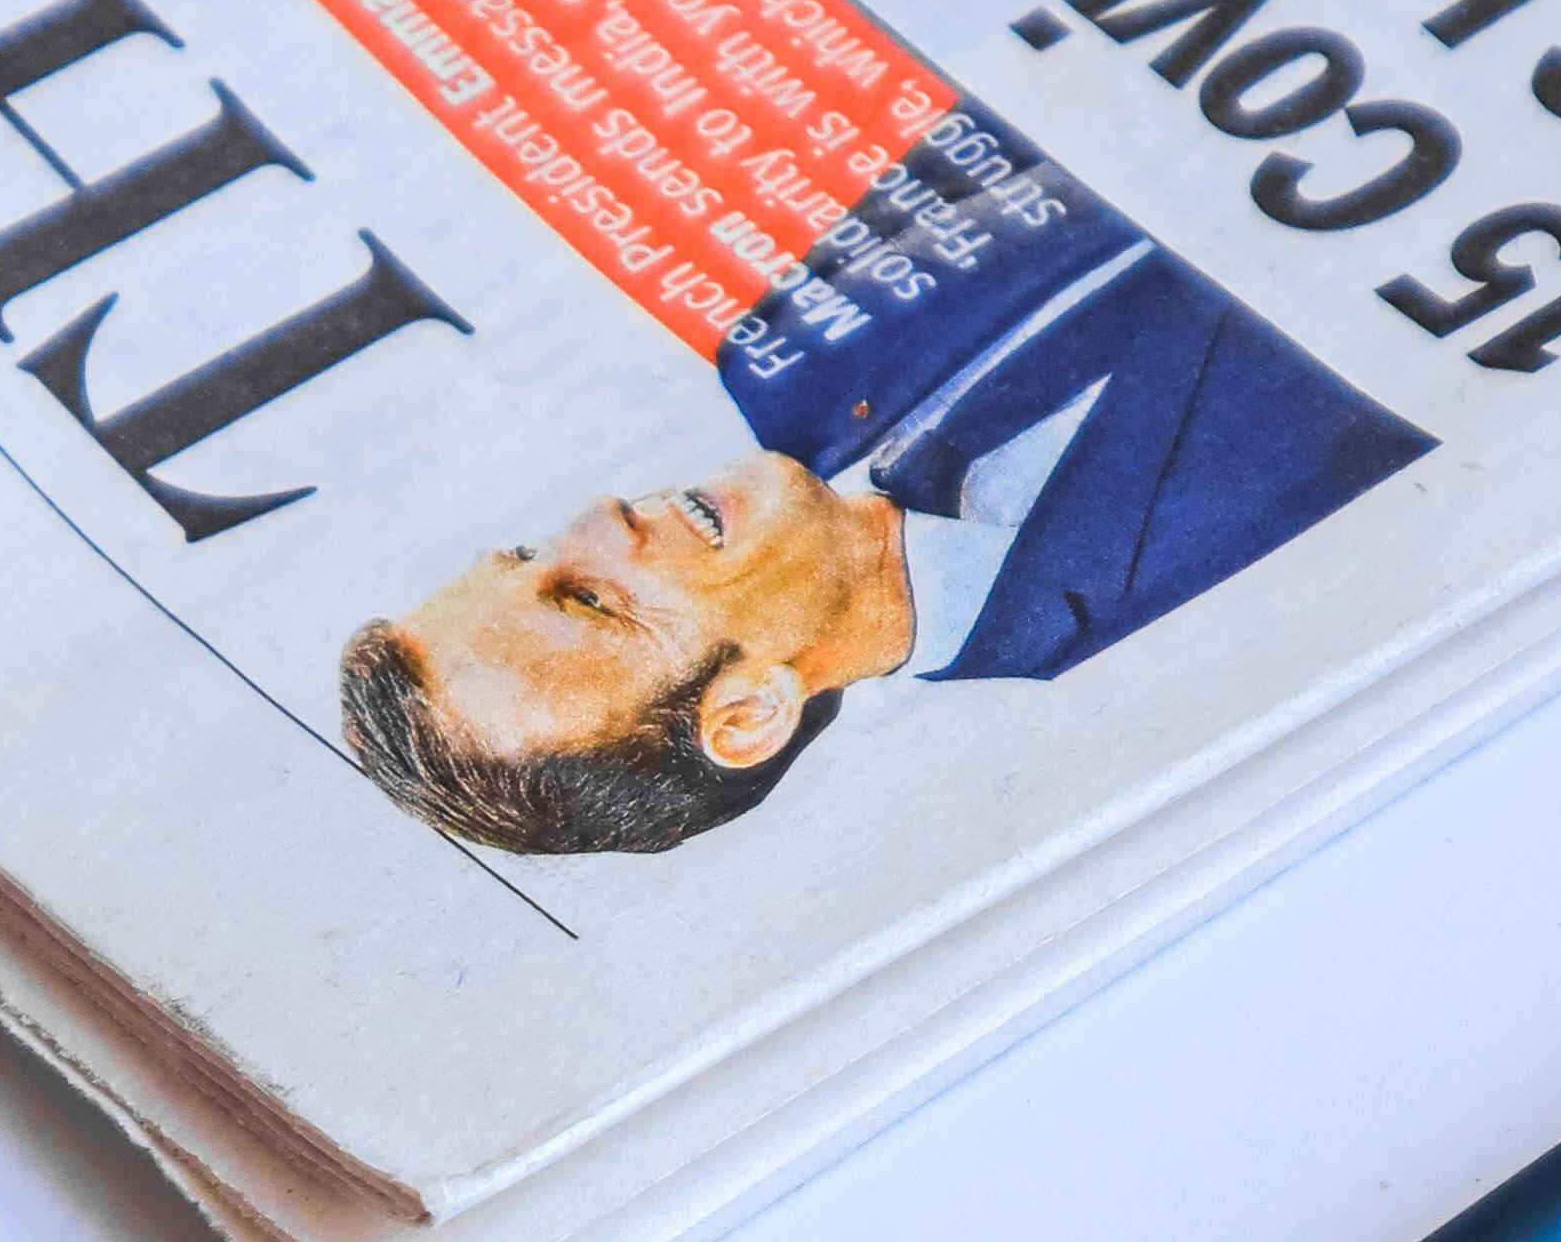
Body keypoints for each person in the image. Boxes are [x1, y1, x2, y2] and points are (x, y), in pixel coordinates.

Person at [341, 172, 1425, 859]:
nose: (597, 516)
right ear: (746, 714)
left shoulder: (782, 350)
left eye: (531, 553)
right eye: (589, 597)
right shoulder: (1185, 637)